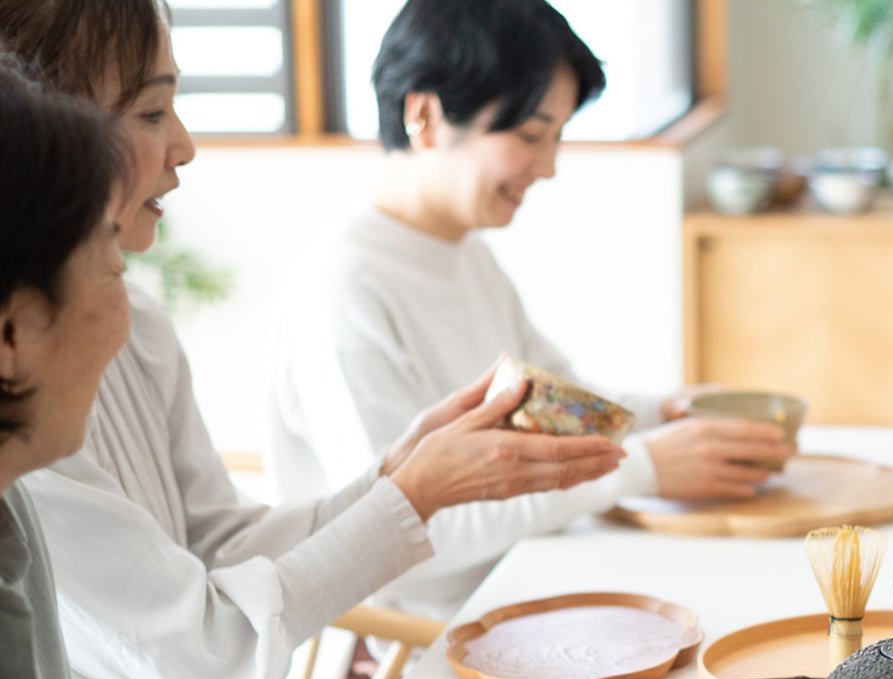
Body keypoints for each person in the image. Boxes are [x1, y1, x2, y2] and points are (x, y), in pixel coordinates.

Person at [0, 60, 529, 679]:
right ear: (10, 332)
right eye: (109, 265)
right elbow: (208, 637)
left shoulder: (12, 521)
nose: (126, 306)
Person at [0, 0, 625, 679]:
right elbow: (208, 648)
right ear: (39, 125)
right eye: (153, 111)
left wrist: (394, 476)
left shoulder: (142, 323)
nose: (186, 147)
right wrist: (415, 495)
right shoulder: (27, 391)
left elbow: (214, 546)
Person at [266, 0, 789, 618]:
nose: (548, 167)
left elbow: (558, 407)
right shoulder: (345, 289)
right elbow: (403, 536)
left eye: (557, 137)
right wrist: (641, 465)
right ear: (425, 115)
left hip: (515, 590)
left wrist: (663, 412)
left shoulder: (462, 256)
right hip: (408, 645)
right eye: (531, 135)